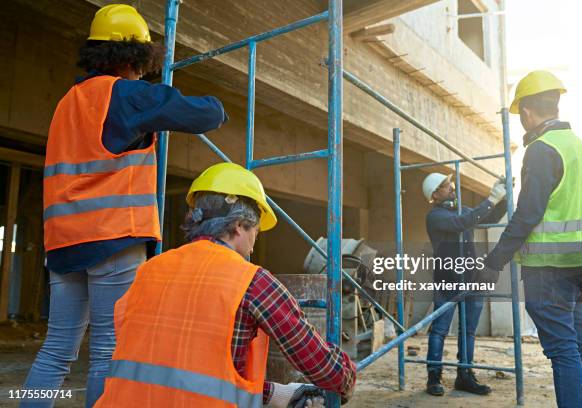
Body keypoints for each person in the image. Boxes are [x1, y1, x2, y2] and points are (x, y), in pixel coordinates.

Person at [22, 4, 227, 407]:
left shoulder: (68, 103)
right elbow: (209, 113)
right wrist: (157, 98)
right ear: (134, 58)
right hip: (113, 239)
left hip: (63, 245)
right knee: (107, 351)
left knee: (57, 349)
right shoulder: (125, 95)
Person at [94, 162, 356, 407]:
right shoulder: (253, 282)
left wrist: (275, 393)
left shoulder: (149, 270)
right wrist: (347, 377)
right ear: (240, 226)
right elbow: (322, 367)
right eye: (256, 231)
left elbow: (178, 368)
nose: (254, 241)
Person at [483, 71, 582, 408]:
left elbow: (527, 215)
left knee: (563, 350)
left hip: (548, 267)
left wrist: (495, 261)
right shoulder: (579, 147)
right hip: (581, 263)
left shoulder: (541, 149)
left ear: (525, 112)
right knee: (581, 343)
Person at [422, 172, 506, 396]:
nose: (451, 187)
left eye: (449, 183)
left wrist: (503, 196)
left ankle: (465, 376)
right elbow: (462, 224)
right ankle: (433, 377)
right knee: (439, 330)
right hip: (447, 280)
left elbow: (490, 218)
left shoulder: (462, 210)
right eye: (445, 185)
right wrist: (490, 198)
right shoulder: (436, 216)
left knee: (468, 331)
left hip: (471, 278)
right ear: (435, 194)